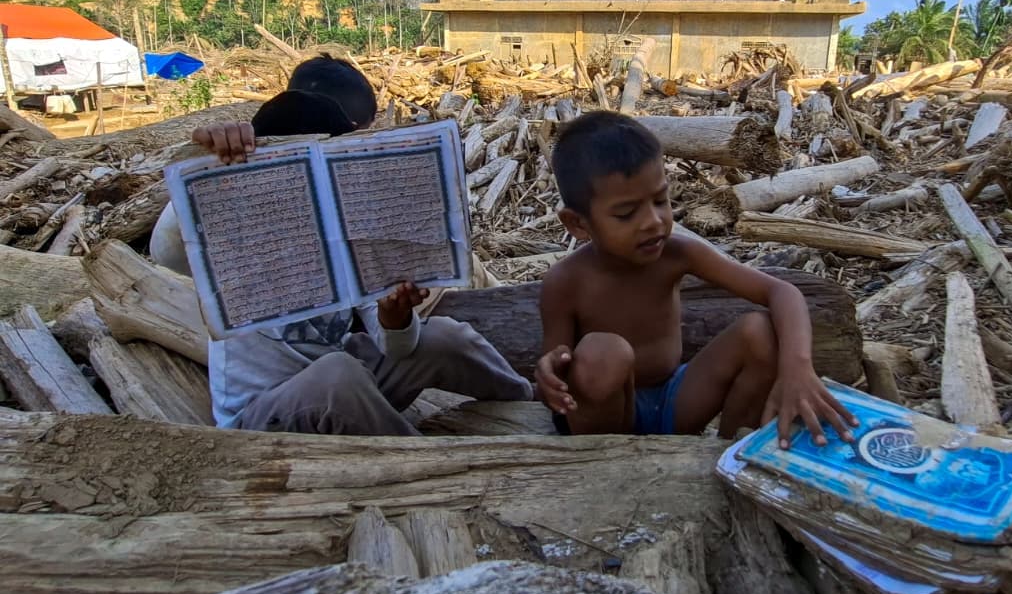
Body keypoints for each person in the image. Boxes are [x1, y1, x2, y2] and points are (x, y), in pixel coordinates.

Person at [150, 54, 532, 435]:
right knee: (339, 374)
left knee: (443, 335)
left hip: (347, 387)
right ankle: (434, 466)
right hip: (264, 417)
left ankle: (530, 406)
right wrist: (211, 166)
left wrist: (395, 318)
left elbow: (395, 344)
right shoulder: (235, 230)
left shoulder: (349, 231)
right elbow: (164, 252)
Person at [535, 111, 855, 449]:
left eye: (660, 200)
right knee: (604, 352)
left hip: (674, 400)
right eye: (627, 214)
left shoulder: (678, 254)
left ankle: (729, 452)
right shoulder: (565, 282)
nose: (653, 222)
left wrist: (798, 368)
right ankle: (612, 464)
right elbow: (555, 381)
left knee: (759, 332)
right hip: (604, 422)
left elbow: (781, 292)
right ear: (578, 224)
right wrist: (550, 375)